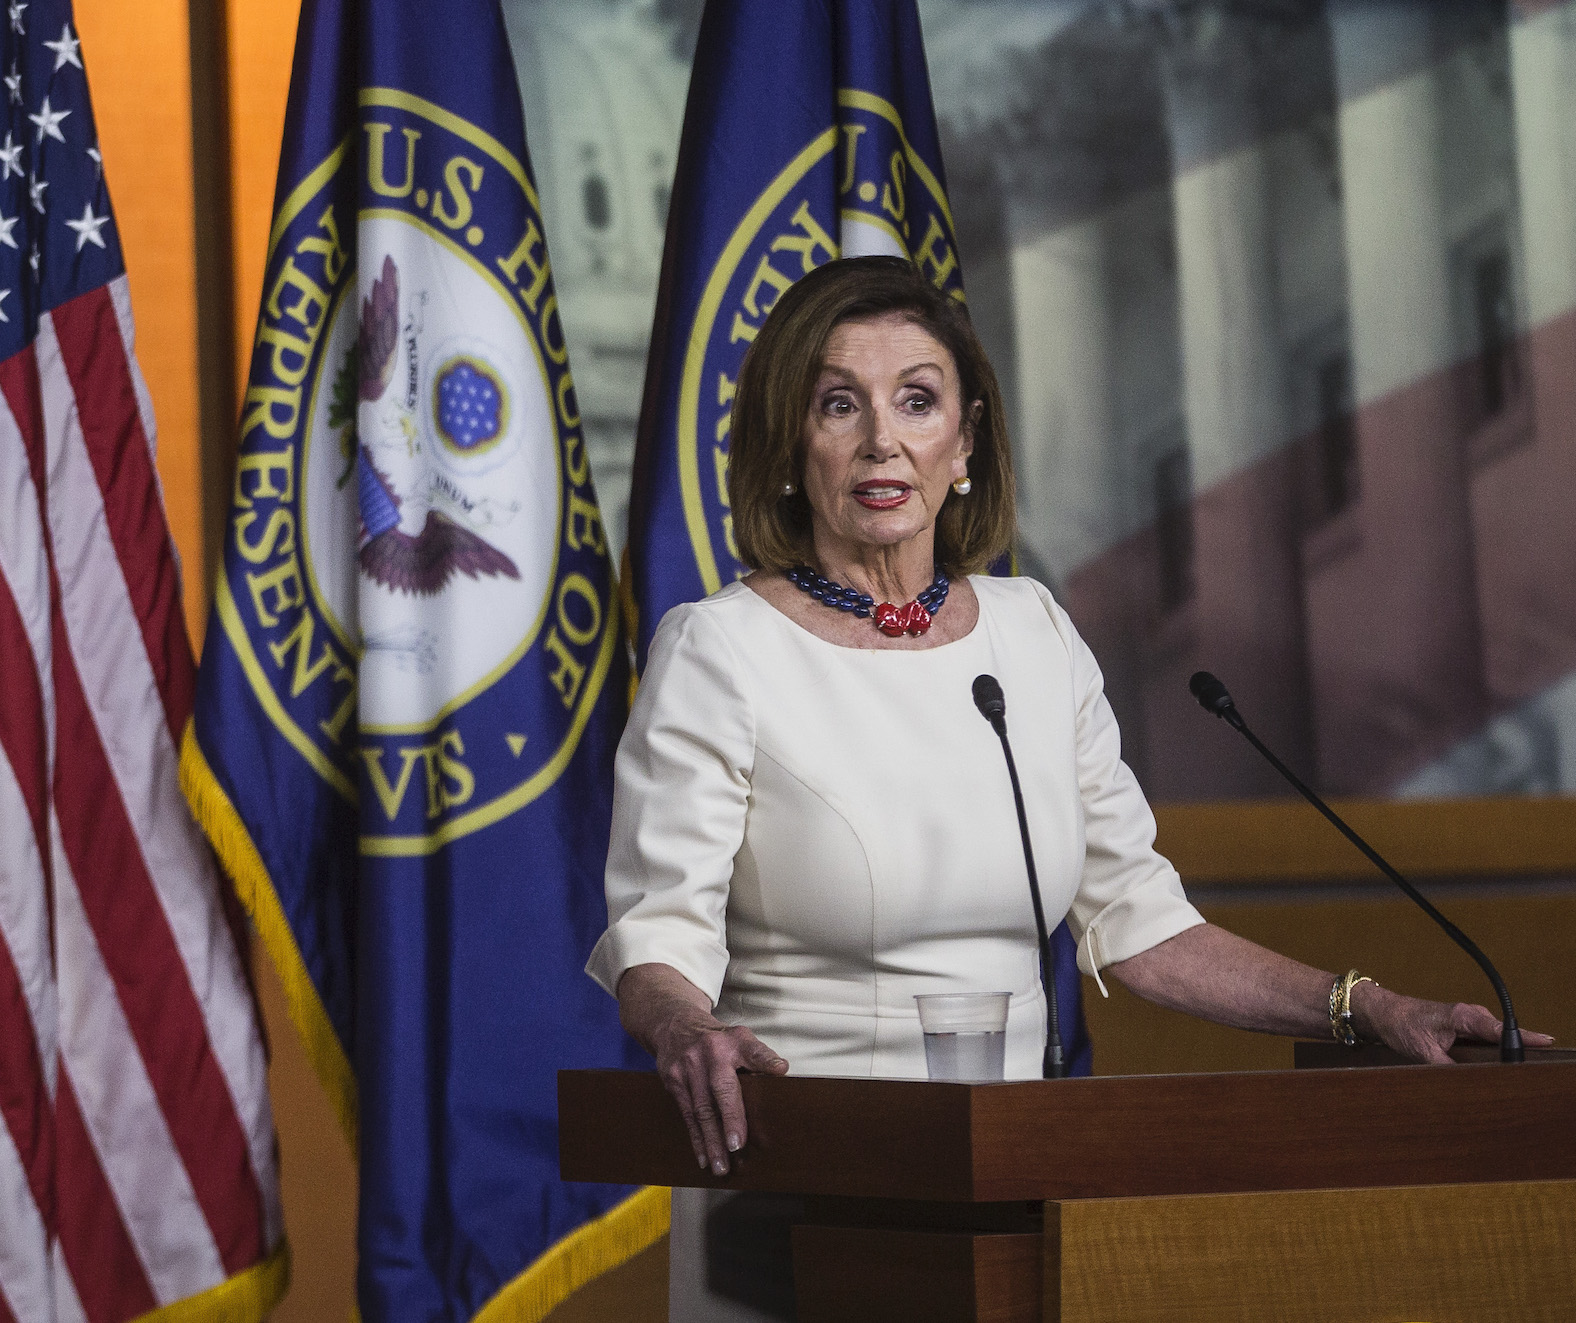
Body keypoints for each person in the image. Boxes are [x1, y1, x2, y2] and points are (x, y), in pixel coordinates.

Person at [592, 256, 1547, 1184]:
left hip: (1010, 1176)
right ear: (792, 445)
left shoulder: (1032, 630)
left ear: (963, 444)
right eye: (840, 403)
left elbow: (1145, 923)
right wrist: (687, 1027)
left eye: (917, 401)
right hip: (802, 1169)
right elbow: (660, 939)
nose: (883, 439)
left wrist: (1363, 1006)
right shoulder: (721, 650)